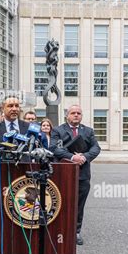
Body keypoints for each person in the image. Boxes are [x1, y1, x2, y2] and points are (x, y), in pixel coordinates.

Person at [50, 105, 101, 246]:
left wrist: (84, 157)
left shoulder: (88, 131)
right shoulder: (58, 130)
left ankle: (76, 231)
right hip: (63, 174)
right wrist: (73, 158)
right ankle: (60, 230)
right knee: (61, 202)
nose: (76, 115)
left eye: (79, 113)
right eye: (73, 113)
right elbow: (54, 148)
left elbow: (96, 148)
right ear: (67, 115)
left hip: (83, 174)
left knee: (79, 205)